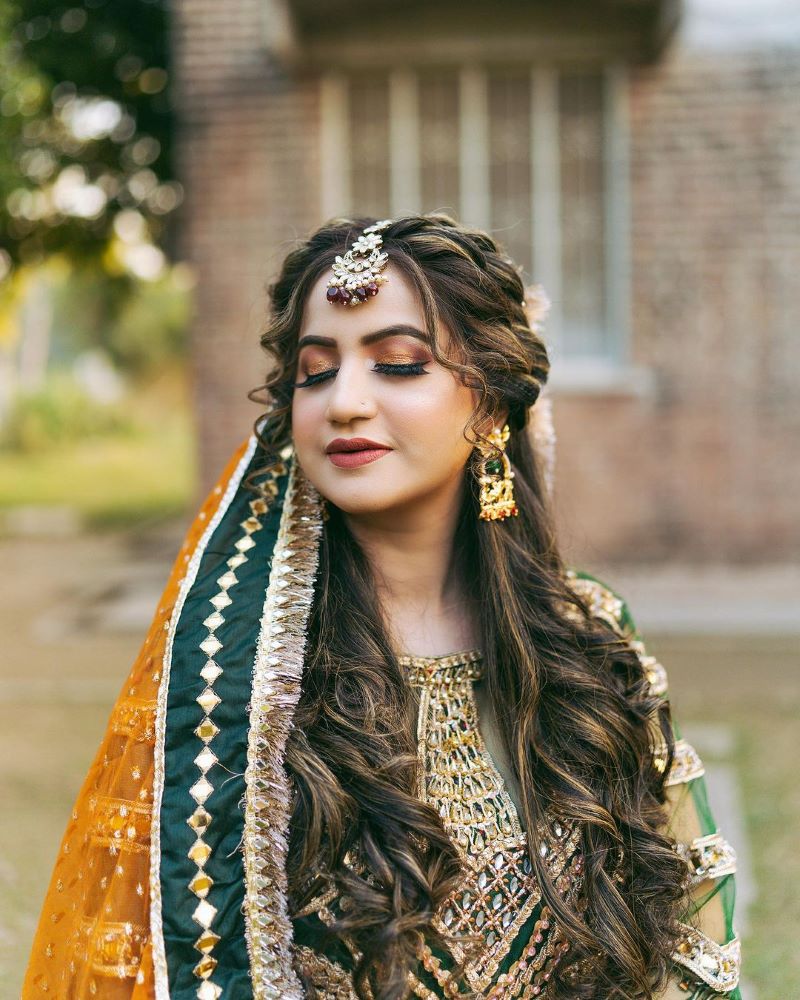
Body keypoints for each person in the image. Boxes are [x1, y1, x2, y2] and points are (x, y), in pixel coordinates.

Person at [23, 215, 741, 1000]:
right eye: (315, 370)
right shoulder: (242, 687)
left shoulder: (589, 636)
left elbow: (691, 934)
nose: (344, 403)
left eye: (398, 364)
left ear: (491, 406)